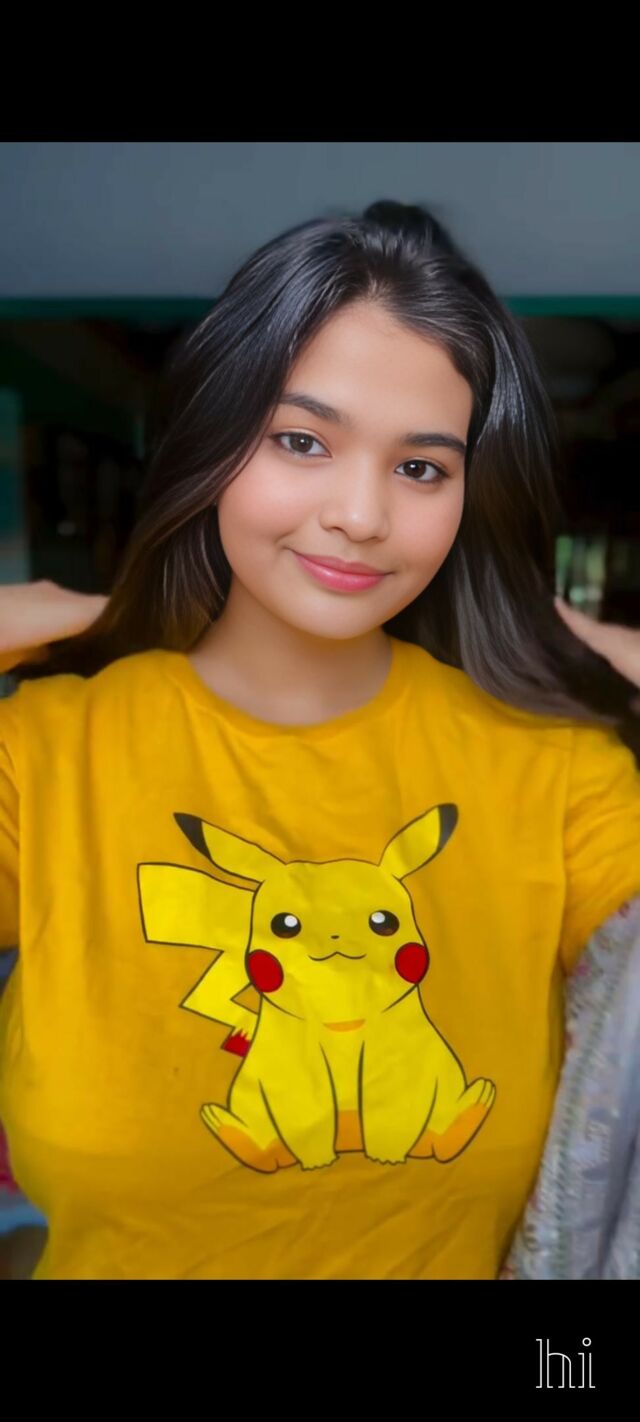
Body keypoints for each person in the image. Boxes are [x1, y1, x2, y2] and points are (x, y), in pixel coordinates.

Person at [1, 199, 640, 1282]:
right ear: (212, 444)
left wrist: (601, 650)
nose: (359, 514)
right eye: (301, 441)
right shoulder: (45, 757)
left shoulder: (554, 771)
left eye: (421, 467)